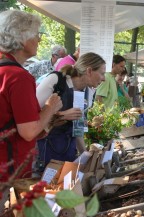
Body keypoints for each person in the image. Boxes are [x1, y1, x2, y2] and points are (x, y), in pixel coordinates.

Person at [0, 10, 62, 181]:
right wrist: (50, 107)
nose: (39, 40)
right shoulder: (17, 76)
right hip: (8, 173)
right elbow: (28, 132)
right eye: (36, 34)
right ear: (21, 37)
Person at [36, 52, 106, 167]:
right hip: (45, 150)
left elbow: (78, 129)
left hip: (68, 153)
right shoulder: (56, 80)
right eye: (102, 73)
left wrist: (85, 156)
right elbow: (29, 117)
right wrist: (62, 114)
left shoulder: (87, 92)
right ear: (89, 71)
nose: (103, 79)